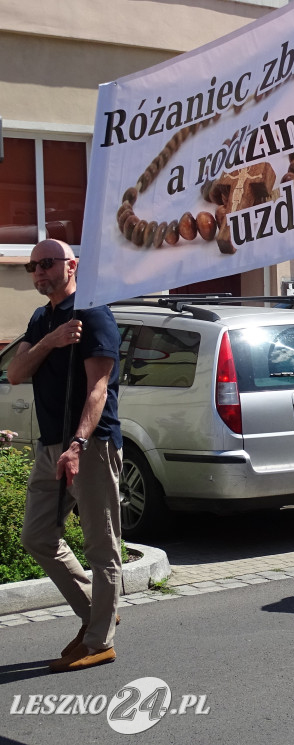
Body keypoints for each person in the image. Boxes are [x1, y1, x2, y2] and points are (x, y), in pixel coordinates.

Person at [8, 239, 123, 673]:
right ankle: (98, 613)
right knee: (37, 536)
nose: (39, 271)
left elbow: (98, 389)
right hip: (49, 446)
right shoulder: (43, 319)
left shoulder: (94, 314)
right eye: (33, 266)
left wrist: (78, 444)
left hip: (89, 446)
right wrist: (51, 341)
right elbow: (16, 372)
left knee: (101, 547)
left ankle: (99, 642)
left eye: (47, 263)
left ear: (72, 265)